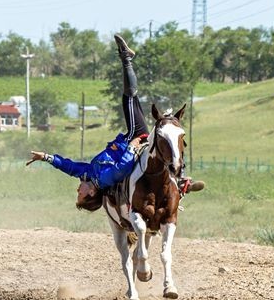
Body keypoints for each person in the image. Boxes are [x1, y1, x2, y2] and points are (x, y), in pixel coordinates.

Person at [26, 34, 205, 211]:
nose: (78, 190)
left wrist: (46, 157)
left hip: (130, 138)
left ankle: (180, 181)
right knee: (129, 98)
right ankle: (126, 58)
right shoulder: (103, 180)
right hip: (135, 139)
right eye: (79, 194)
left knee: (130, 97)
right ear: (90, 194)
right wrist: (132, 146)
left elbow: (69, 166)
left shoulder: (89, 174)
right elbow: (121, 169)